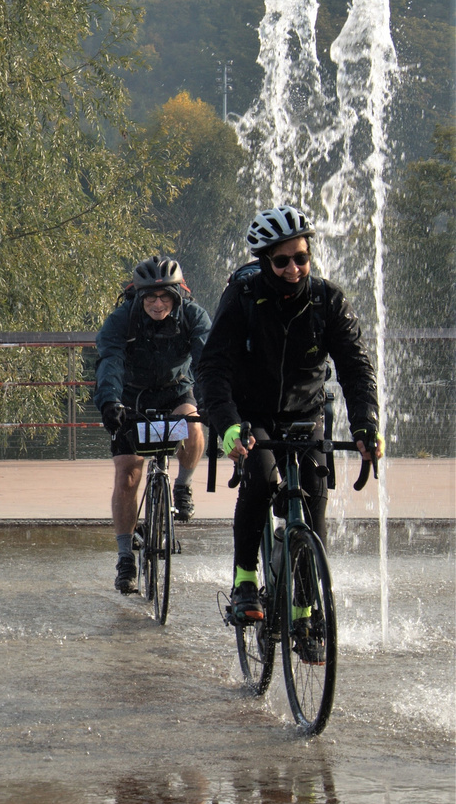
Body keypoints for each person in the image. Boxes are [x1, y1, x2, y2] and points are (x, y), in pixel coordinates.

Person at [198, 205, 382, 649]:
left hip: (306, 414)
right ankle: (245, 579)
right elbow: (213, 369)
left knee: (313, 506)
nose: (293, 269)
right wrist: (226, 426)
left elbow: (356, 369)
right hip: (253, 415)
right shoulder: (242, 297)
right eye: (282, 261)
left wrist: (366, 424)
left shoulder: (328, 300)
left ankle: (304, 607)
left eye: (301, 257)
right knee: (259, 483)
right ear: (264, 262)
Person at [94, 256, 211, 594]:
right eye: (151, 298)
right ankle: (125, 556)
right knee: (128, 473)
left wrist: (214, 401)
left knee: (192, 425)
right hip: (131, 398)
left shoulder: (192, 316)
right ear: (139, 297)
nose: (158, 305)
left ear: (177, 296)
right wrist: (110, 402)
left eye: (165, 298)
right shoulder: (122, 320)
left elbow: (208, 361)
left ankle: (183, 486)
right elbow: (109, 362)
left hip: (176, 391)